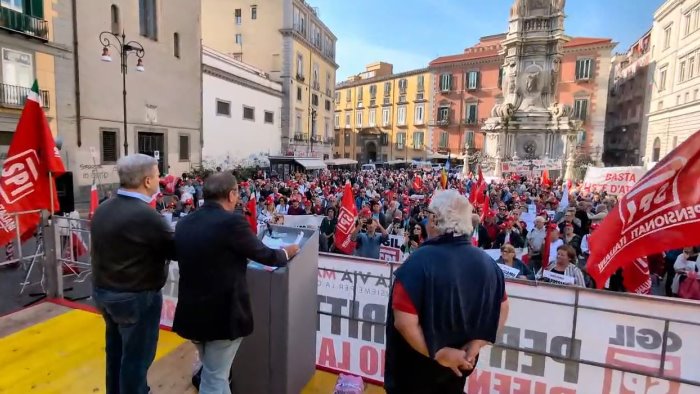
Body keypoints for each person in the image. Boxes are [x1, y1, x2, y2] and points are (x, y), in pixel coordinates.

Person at [173, 173, 299, 394]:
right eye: (237, 193)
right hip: (223, 316)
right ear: (231, 194)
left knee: (214, 372)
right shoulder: (231, 222)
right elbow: (265, 255)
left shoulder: (185, 222)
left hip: (192, 313)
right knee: (214, 378)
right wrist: (287, 252)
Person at [385, 190, 509, 394]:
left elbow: (404, 322)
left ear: (434, 219)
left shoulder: (416, 263)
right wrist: (477, 344)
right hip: (459, 372)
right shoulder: (488, 263)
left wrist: (440, 353)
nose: (424, 221)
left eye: (427, 216)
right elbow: (503, 308)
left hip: (413, 376)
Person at [91, 154, 174, 394]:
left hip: (104, 292)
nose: (161, 178)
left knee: (115, 353)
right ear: (147, 181)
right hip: (136, 297)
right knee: (137, 360)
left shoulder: (104, 207)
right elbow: (175, 249)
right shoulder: (146, 216)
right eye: (158, 174)